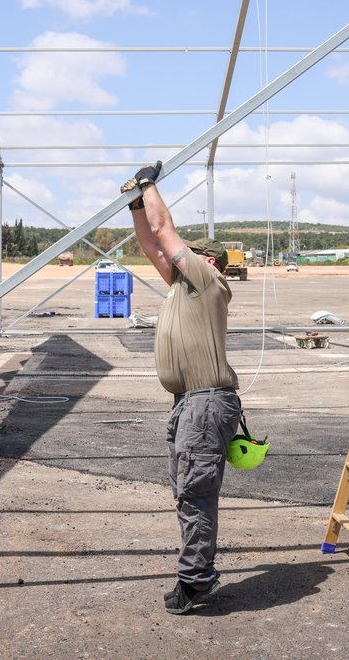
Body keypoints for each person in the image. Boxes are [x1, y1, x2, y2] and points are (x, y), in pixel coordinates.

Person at [123, 160, 243, 615]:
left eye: (185, 253)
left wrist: (148, 184)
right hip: (189, 403)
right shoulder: (183, 285)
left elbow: (163, 228)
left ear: (205, 260)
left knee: (195, 494)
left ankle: (195, 581)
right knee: (187, 491)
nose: (174, 255)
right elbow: (149, 241)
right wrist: (136, 204)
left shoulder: (207, 280)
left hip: (205, 403)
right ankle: (197, 572)